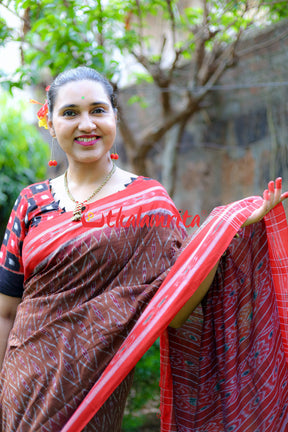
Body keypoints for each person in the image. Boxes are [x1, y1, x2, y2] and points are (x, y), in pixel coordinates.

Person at [0, 66, 287, 432]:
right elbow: (6, 311)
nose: (86, 124)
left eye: (98, 111)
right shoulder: (31, 202)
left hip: (96, 391)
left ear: (115, 118)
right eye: (70, 113)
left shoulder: (150, 204)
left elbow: (178, 309)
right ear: (51, 124)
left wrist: (224, 231)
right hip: (20, 384)